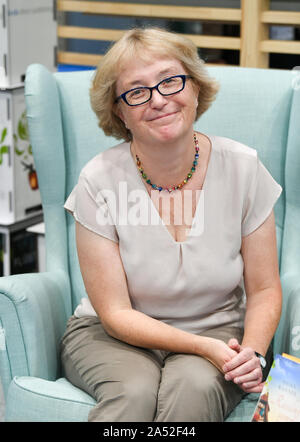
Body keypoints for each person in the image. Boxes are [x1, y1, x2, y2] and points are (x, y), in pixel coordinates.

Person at [60, 27, 283, 422]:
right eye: (137, 91)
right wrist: (200, 347)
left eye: (170, 81)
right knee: (134, 393)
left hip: (218, 329)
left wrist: (252, 352)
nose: (159, 99)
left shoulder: (244, 168)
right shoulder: (98, 180)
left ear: (195, 88)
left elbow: (264, 288)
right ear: (120, 112)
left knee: (192, 392)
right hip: (111, 336)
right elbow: (114, 313)